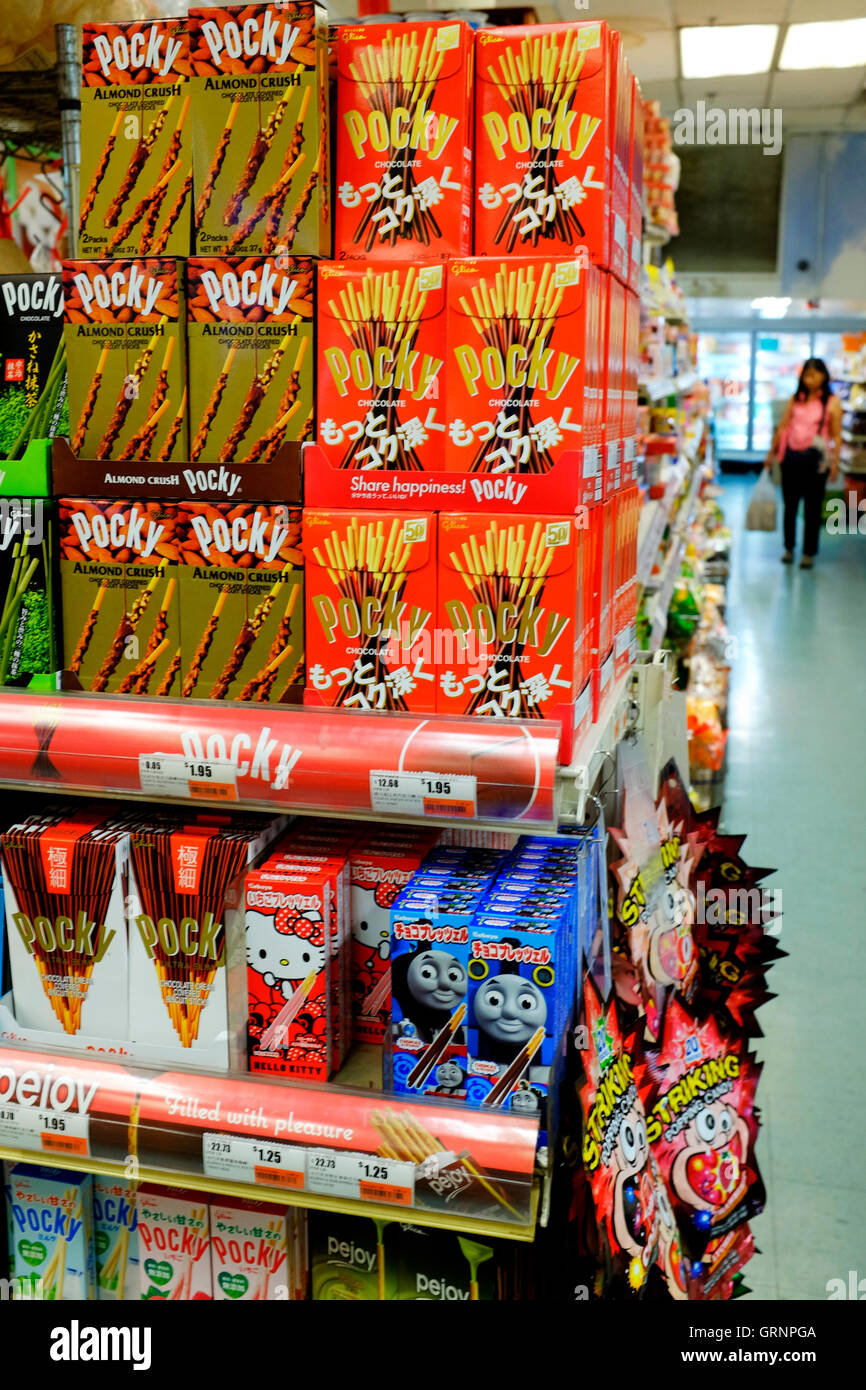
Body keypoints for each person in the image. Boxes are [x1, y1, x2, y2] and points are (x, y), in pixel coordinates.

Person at [764, 358, 841, 568]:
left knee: (813, 508)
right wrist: (771, 453)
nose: (810, 379)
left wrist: (834, 464)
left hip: (816, 462)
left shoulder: (831, 402)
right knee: (790, 505)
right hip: (791, 459)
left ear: (824, 376)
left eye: (815, 375)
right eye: (807, 375)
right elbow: (782, 426)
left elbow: (837, 435)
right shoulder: (795, 399)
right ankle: (788, 548)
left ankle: (808, 552)